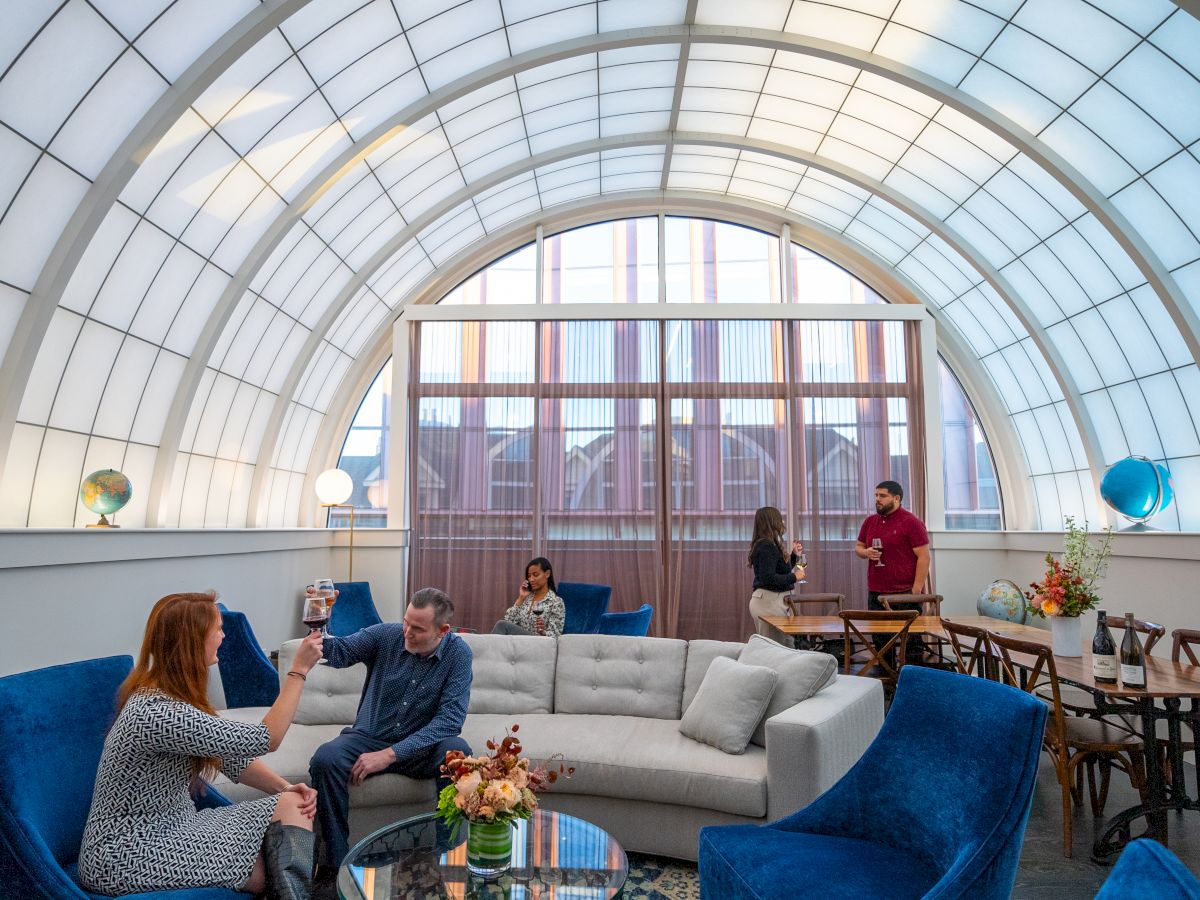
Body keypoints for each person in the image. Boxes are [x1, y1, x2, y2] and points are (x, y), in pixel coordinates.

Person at [77, 592, 324, 899]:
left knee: (293, 808)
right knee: (273, 867)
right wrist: (297, 672)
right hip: (125, 853)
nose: (223, 635)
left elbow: (230, 760)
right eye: (216, 629)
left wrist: (284, 788)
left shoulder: (171, 695)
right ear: (192, 642)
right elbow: (266, 738)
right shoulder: (158, 712)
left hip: (176, 825)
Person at [309, 586, 472, 877]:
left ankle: (448, 853)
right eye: (406, 622)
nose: (407, 632)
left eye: (418, 628)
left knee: (457, 753)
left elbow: (449, 721)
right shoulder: (387, 635)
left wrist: (391, 754)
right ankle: (335, 866)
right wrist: (320, 618)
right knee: (326, 758)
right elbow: (337, 653)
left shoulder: (458, 655)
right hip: (368, 737)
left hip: (420, 747)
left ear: (442, 630)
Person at [855, 480, 931, 610]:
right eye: (876, 495)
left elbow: (924, 557)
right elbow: (858, 547)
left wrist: (916, 591)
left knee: (908, 631)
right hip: (875, 593)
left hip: (905, 593)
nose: (877, 499)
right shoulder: (870, 522)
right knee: (878, 631)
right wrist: (865, 552)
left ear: (896, 498)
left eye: (882, 496)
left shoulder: (911, 522)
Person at [747, 506, 804, 637]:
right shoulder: (766, 545)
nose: (782, 522)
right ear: (771, 522)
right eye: (779, 519)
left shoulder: (768, 544)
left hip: (773, 602)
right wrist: (794, 577)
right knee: (775, 648)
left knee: (785, 645)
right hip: (769, 603)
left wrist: (794, 555)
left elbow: (781, 570)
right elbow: (769, 578)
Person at [492, 556, 566, 637]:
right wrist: (521, 598)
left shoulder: (556, 602)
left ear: (547, 574)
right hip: (520, 642)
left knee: (501, 625)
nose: (531, 579)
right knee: (502, 626)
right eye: (529, 576)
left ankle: (488, 647)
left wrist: (543, 631)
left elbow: (556, 635)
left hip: (540, 643)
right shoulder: (526, 599)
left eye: (535, 575)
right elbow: (508, 621)